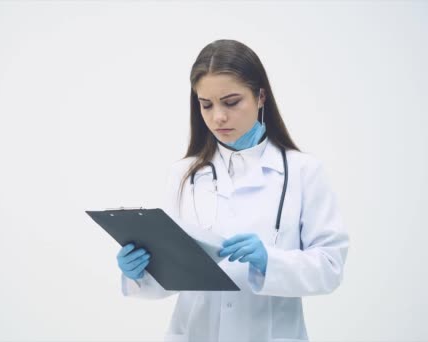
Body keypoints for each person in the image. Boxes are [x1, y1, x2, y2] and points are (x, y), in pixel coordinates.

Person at [116, 39, 350, 342]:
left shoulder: (304, 171)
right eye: (206, 105)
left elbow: (330, 268)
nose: (218, 118)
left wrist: (270, 260)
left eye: (231, 102)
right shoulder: (183, 175)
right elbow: (170, 279)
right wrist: (141, 272)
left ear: (261, 96)